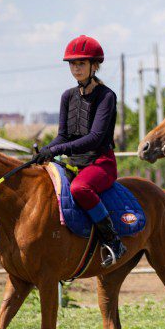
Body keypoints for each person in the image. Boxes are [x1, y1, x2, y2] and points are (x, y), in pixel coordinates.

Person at [35, 35, 126, 268]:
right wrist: (46, 150)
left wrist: (58, 149)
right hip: (74, 163)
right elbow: (63, 136)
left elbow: (95, 138)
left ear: (94, 65)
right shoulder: (67, 96)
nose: (76, 68)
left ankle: (113, 240)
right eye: (73, 64)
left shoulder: (106, 96)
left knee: (79, 188)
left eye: (81, 63)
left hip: (100, 163)